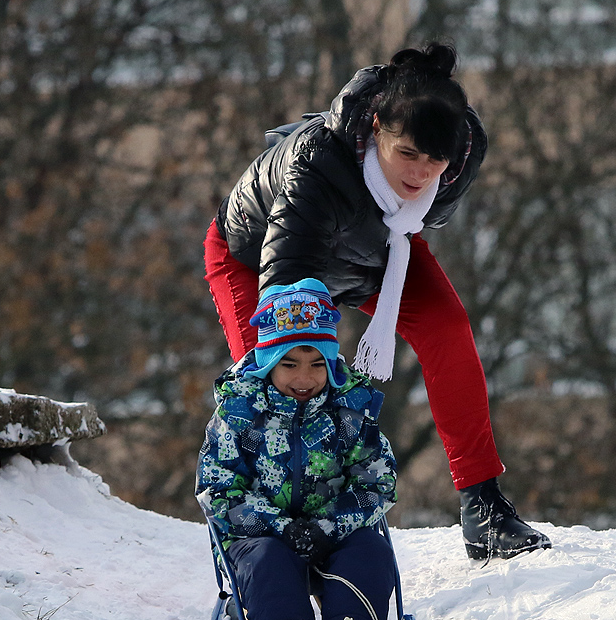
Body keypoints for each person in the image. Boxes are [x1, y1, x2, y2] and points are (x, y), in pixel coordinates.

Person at [202, 41, 551, 561]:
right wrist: (306, 357)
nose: (419, 175)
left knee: (447, 327)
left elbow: (414, 213)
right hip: (257, 258)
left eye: (435, 162)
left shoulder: (463, 156)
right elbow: (286, 279)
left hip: (374, 252)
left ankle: (484, 508)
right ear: (376, 125)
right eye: (407, 154)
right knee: (275, 377)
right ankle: (267, 540)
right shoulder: (317, 165)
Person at [196, 279, 400, 620]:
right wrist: (280, 527)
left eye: (316, 363)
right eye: (289, 363)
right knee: (267, 560)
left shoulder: (349, 412)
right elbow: (219, 491)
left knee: (370, 550)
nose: (304, 377)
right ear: (267, 361)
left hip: (332, 536)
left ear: (330, 362)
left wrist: (329, 525)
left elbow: (376, 481)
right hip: (264, 539)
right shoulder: (239, 414)